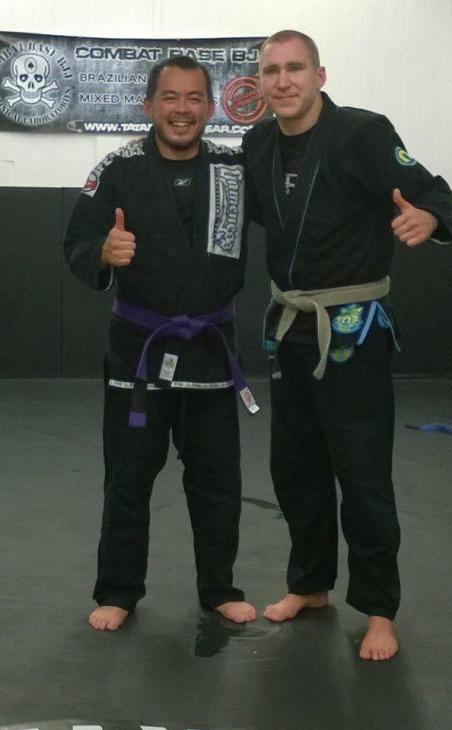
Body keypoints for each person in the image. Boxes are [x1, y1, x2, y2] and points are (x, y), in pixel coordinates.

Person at [243, 30, 452, 660]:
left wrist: (429, 217)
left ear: (320, 75)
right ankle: (309, 585)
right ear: (260, 81)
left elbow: (432, 190)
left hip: (353, 330)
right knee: (295, 467)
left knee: (362, 474)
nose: (283, 81)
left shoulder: (363, 132)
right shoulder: (258, 144)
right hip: (292, 326)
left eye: (295, 68)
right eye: (272, 71)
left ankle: (379, 609)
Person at [64, 56, 258, 631]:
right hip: (139, 352)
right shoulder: (117, 168)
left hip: (210, 349)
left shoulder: (233, 167)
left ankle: (219, 588)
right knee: (128, 476)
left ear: (211, 107)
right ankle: (118, 590)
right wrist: (104, 253)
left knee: (217, 481)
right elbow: (76, 242)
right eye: (170, 98)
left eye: (194, 98)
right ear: (148, 106)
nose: (181, 109)